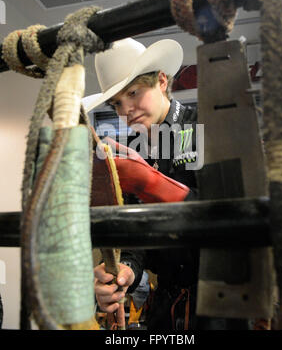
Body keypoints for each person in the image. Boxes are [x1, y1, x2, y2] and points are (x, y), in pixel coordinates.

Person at [82, 38, 201, 330]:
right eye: (117, 103)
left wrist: (149, 181)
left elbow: (230, 216)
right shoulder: (135, 147)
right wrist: (125, 273)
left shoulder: (202, 126)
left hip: (218, 305)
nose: (127, 111)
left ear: (162, 80)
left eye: (134, 93)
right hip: (164, 306)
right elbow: (137, 239)